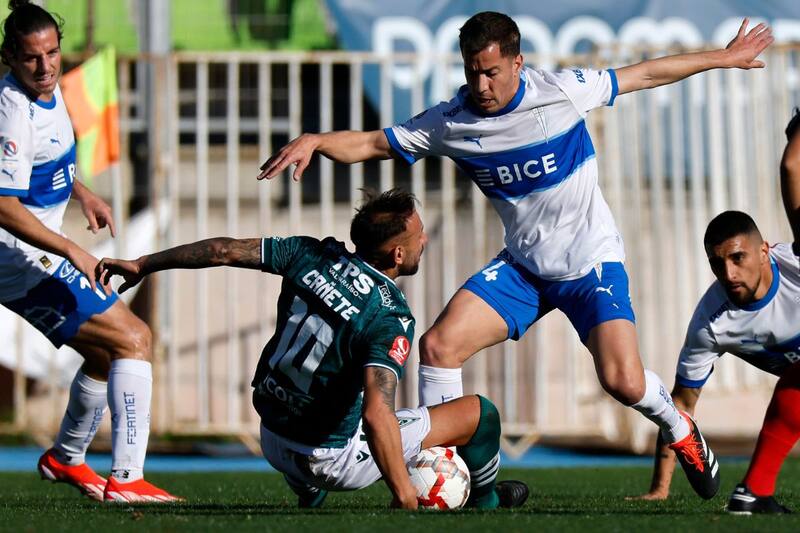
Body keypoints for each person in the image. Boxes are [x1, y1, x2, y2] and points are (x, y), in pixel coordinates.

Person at [256, 11, 773, 499]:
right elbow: (374, 143)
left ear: (518, 63)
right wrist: (318, 141)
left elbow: (644, 74)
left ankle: (680, 427)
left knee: (623, 381)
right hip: (523, 268)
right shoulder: (453, 121)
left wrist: (722, 58)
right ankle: (457, 476)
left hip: (589, 264)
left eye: (492, 72)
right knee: (438, 346)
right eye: (471, 73)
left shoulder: (559, 92)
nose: (481, 85)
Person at [96, 188, 529, 509]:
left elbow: (221, 250)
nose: (425, 241)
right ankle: (484, 503)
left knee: (329, 394)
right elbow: (378, 415)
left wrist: (142, 264)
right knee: (480, 414)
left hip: (270, 433)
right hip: (329, 457)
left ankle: (307, 489)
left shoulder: (308, 253)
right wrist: (404, 498)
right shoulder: (389, 315)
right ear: (398, 254)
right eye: (419, 237)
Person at [0, 0, 178, 502]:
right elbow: (5, 205)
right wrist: (72, 250)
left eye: (52, 53)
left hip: (33, 253)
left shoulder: (49, 93)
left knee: (104, 352)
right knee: (134, 338)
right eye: (32, 58)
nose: (45, 66)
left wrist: (82, 192)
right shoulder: (12, 111)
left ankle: (66, 458)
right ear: (10, 57)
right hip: (17, 260)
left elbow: (46, 163)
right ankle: (126, 479)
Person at [634, 110, 800, 514]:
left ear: (764, 251)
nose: (728, 273)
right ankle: (754, 491)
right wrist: (660, 488)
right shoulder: (711, 323)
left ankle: (754, 491)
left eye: (738, 257)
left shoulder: (796, 262)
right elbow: (680, 407)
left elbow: (792, 166)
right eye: (717, 263)